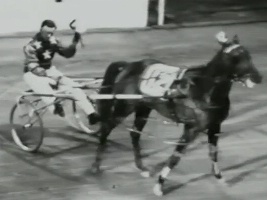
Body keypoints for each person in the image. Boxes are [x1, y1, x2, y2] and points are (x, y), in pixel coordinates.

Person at [23, 19, 100, 125]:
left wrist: (76, 39)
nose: (49, 35)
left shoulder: (53, 41)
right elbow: (33, 66)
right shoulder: (31, 45)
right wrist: (49, 76)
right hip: (32, 74)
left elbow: (67, 53)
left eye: (51, 33)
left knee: (74, 87)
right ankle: (55, 107)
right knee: (47, 92)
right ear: (41, 30)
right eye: (47, 33)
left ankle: (91, 115)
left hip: (49, 71)